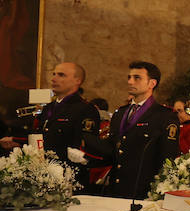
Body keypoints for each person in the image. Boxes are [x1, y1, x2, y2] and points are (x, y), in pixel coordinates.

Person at [72, 61, 179, 201]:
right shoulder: (121, 114)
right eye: (129, 77)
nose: (130, 81)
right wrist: (85, 159)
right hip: (116, 189)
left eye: (137, 78)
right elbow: (113, 150)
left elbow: (166, 158)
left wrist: (160, 193)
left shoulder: (164, 116)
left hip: (144, 192)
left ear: (152, 83)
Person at [0, 61, 101, 191]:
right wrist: (17, 141)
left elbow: (82, 147)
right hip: (44, 176)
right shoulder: (49, 108)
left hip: (69, 178)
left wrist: (18, 141)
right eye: (53, 74)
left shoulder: (85, 109)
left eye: (61, 75)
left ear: (77, 80)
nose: (54, 79)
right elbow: (42, 136)